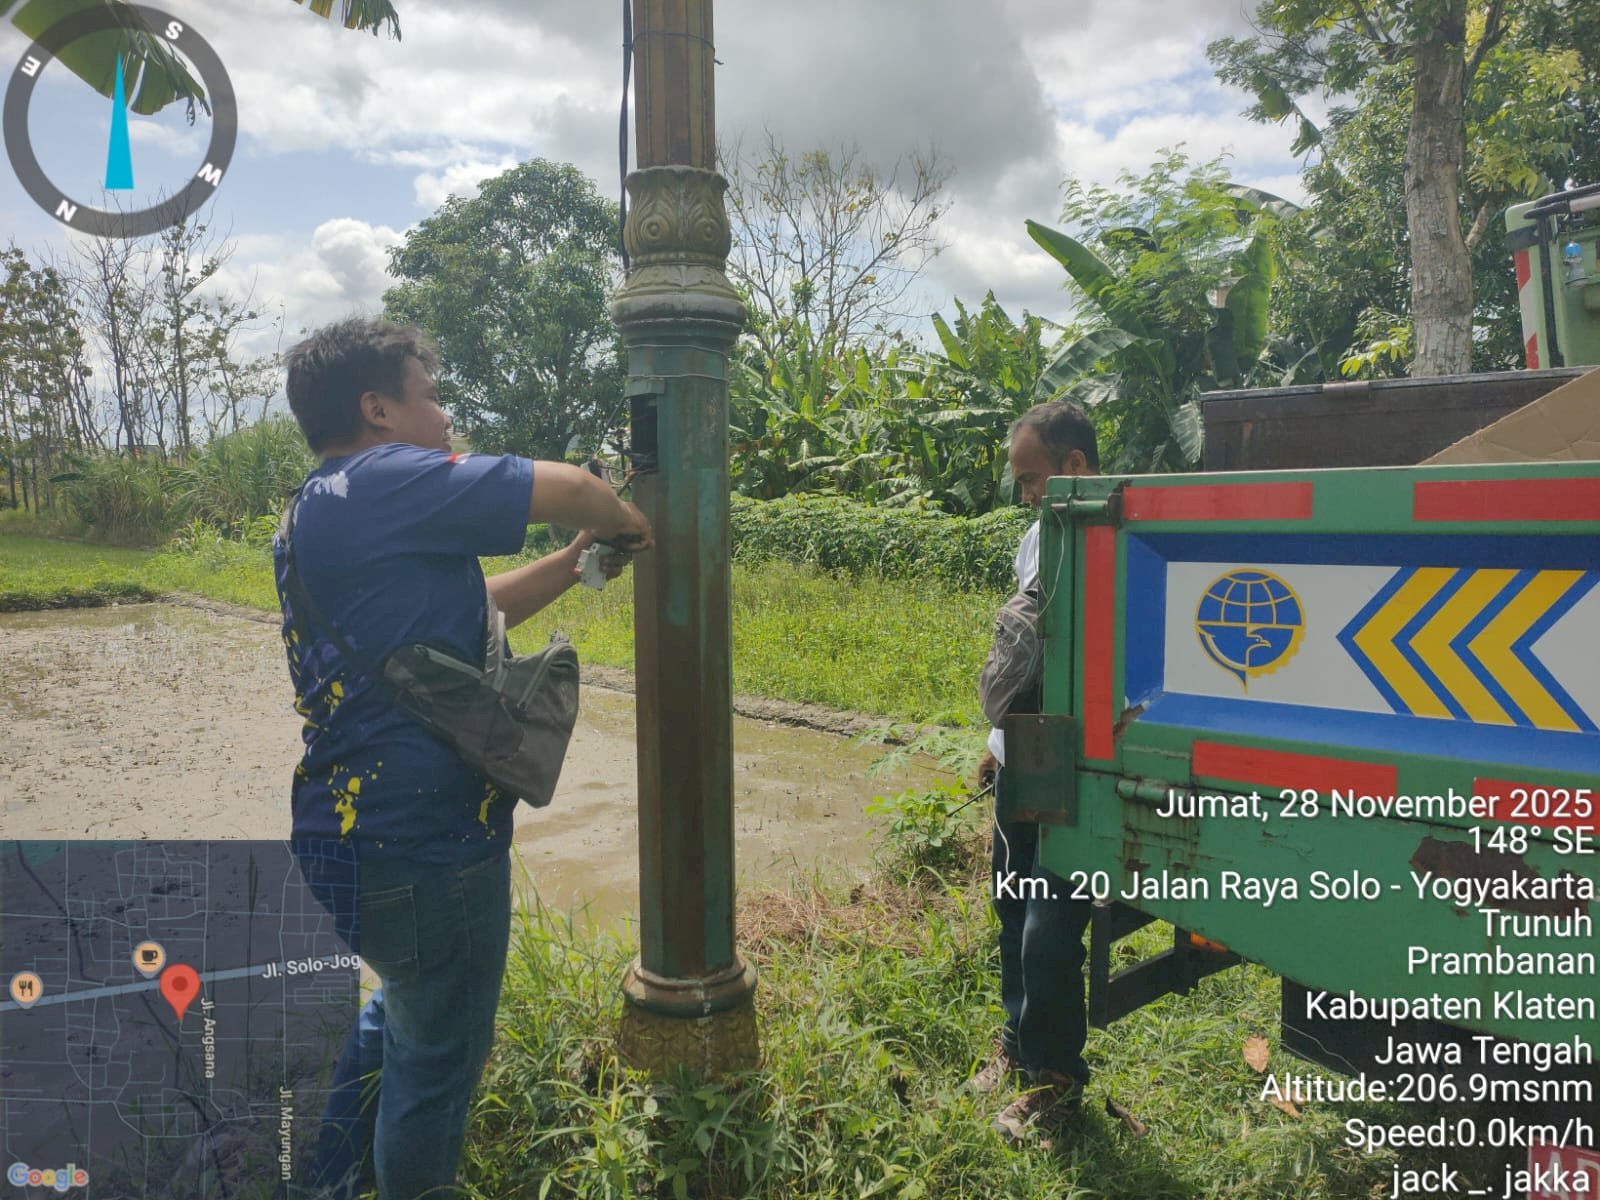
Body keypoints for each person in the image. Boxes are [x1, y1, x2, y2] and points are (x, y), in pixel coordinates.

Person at [273, 317, 651, 1199]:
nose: (445, 417)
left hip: (347, 832)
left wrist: (571, 563)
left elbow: (461, 611)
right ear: (376, 409)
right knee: (438, 1062)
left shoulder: (318, 506)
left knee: (403, 1011)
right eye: (431, 396)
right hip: (425, 843)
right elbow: (575, 486)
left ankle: (327, 1183)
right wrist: (631, 520)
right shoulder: (381, 477)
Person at [971, 400, 1099, 1144]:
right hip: (1025, 754)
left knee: (1050, 932)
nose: (1025, 495)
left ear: (1074, 467)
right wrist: (995, 744)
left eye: (1031, 479)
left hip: (1080, 768)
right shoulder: (1035, 541)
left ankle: (1057, 1082)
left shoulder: (1125, 539)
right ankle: (1019, 1050)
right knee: (1012, 910)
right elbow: (1026, 663)